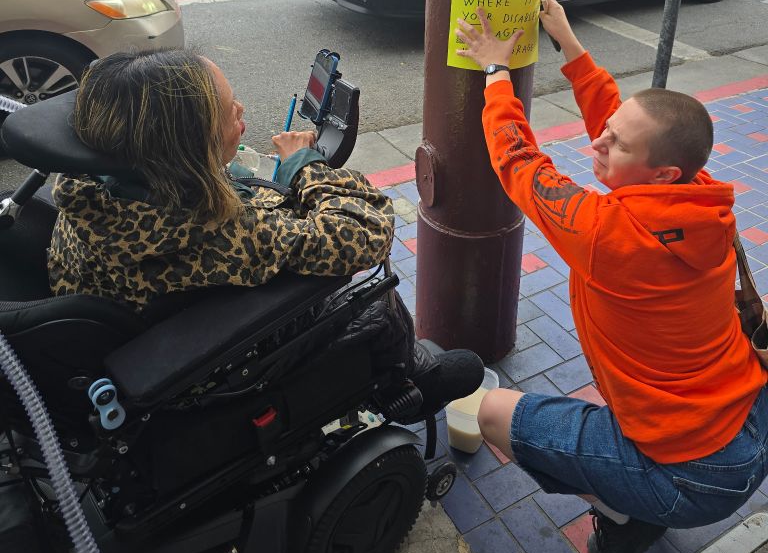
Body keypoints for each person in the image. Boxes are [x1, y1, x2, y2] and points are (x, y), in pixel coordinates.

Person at [454, 0, 768, 553]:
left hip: (698, 476)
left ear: (661, 171)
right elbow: (618, 124)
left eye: (614, 145)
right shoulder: (697, 198)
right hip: (750, 417)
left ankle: (625, 513)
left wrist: (495, 70)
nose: (596, 142)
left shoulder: (605, 234)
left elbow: (518, 162)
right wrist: (565, 37)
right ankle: (638, 490)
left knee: (493, 414)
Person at [47, 49, 484, 411]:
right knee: (373, 294)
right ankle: (408, 382)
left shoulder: (85, 189)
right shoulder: (219, 230)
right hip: (203, 366)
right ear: (186, 152)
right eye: (227, 110)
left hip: (134, 332)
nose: (241, 109)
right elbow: (365, 233)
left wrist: (219, 172)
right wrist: (305, 166)